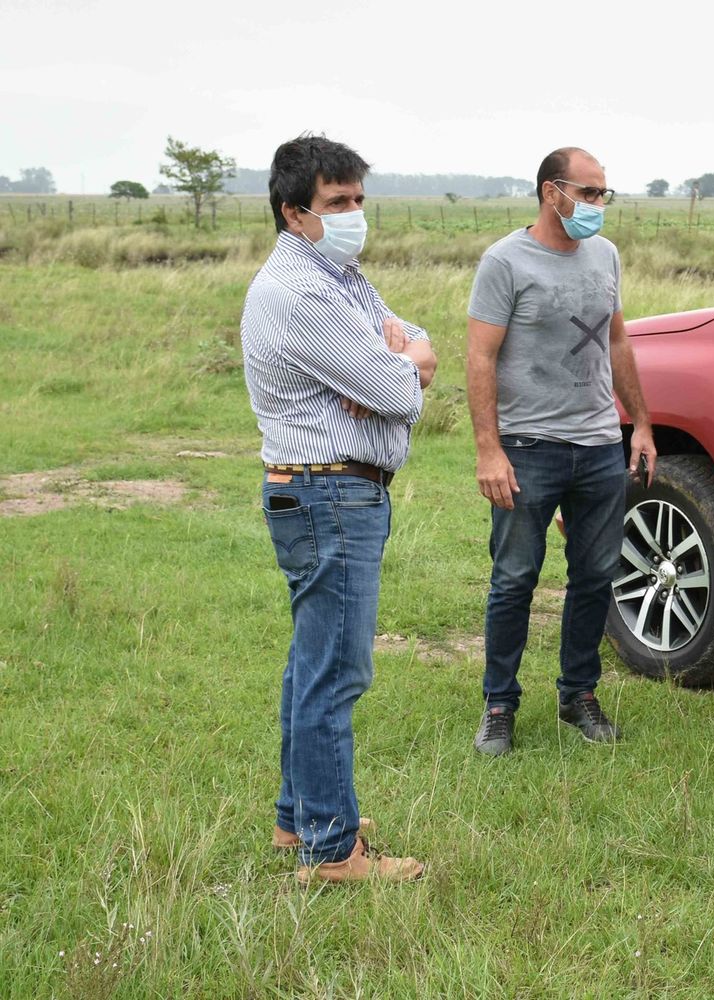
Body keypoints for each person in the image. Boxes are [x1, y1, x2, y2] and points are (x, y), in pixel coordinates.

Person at [242, 134, 435, 884]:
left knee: (312, 661)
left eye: (358, 200)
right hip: (328, 490)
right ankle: (331, 850)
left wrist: (400, 359)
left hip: (330, 486)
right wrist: (397, 372)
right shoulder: (302, 292)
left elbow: (414, 346)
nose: (354, 214)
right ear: (295, 213)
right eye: (336, 203)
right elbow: (394, 390)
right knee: (335, 670)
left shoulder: (340, 274)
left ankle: (302, 815)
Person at [467, 147, 656, 757]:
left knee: (596, 575)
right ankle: (499, 704)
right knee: (515, 579)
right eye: (591, 192)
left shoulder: (605, 255)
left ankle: (579, 695)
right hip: (528, 448)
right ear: (554, 192)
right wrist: (489, 450)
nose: (600, 205)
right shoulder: (504, 261)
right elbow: (480, 358)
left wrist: (642, 426)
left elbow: (617, 340)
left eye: (605, 194)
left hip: (599, 444)